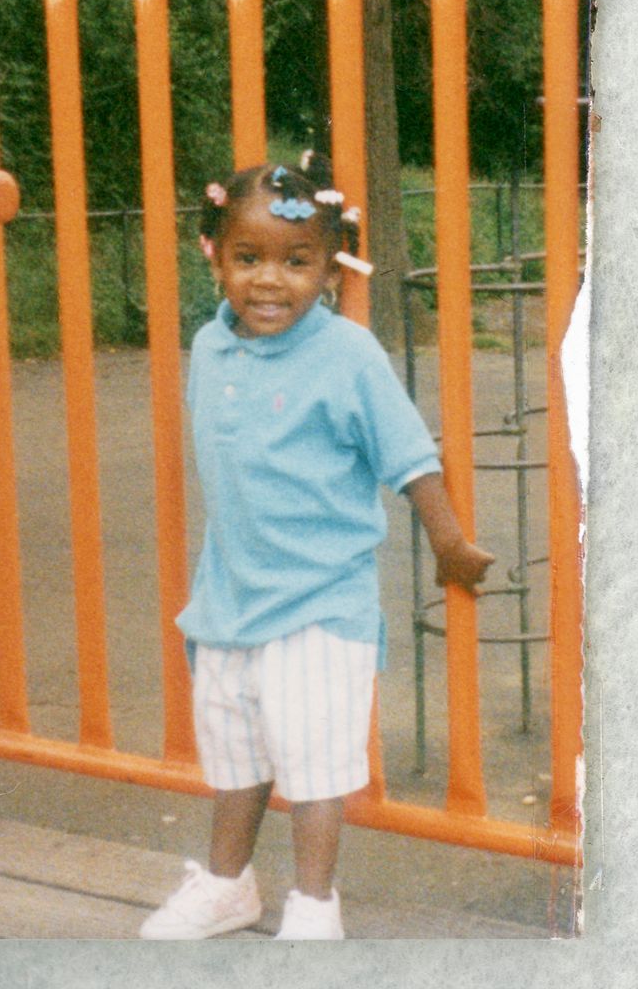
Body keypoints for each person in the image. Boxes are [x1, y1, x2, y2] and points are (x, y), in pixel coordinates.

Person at [139, 162, 495, 941]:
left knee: (313, 765)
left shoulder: (349, 354)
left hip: (319, 603)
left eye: (297, 262)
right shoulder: (210, 348)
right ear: (214, 253)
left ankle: (314, 906)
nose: (272, 281)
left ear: (331, 270)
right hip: (229, 601)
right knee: (235, 759)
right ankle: (229, 886)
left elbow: (408, 454)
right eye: (249, 257)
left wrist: (449, 541)